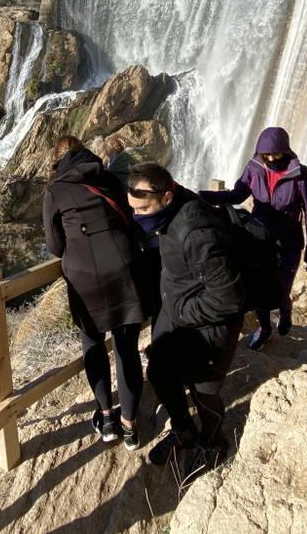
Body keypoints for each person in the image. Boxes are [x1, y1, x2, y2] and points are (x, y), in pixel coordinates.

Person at [127, 163, 246, 468]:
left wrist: (181, 312)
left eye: (142, 209)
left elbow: (229, 298)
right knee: (159, 373)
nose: (137, 216)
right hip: (179, 314)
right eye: (133, 209)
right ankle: (184, 431)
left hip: (209, 327)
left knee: (204, 392)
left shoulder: (196, 232)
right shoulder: (171, 210)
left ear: (167, 196)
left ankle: (212, 441)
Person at [43, 135, 145, 450]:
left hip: (85, 278)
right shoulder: (111, 178)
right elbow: (131, 219)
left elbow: (55, 246)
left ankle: (107, 419)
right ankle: (130, 426)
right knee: (126, 348)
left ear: (58, 163)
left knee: (93, 345)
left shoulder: (55, 191)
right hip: (125, 268)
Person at [200, 126, 307, 350]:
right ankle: (264, 328)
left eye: (276, 153)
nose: (272, 158)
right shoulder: (254, 168)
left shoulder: (301, 175)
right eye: (267, 154)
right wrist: (201, 197)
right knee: (259, 289)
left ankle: (285, 310)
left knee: (282, 288)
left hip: (289, 242)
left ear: (286, 149)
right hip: (259, 239)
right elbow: (236, 194)